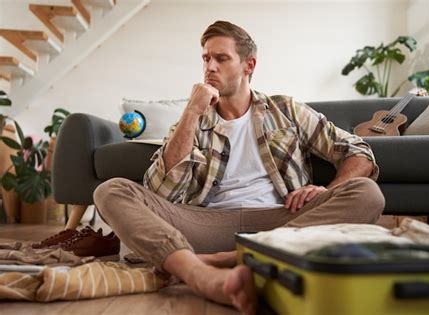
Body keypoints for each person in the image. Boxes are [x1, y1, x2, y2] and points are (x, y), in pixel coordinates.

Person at [94, 20, 385, 315]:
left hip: (283, 222)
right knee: (110, 190)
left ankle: (224, 260)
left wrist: (326, 190)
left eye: (221, 58)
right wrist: (191, 112)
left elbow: (358, 151)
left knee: (368, 193)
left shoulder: (285, 110)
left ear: (249, 65)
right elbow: (160, 192)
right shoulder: (192, 120)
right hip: (207, 224)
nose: (210, 67)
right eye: (206, 58)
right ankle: (203, 275)